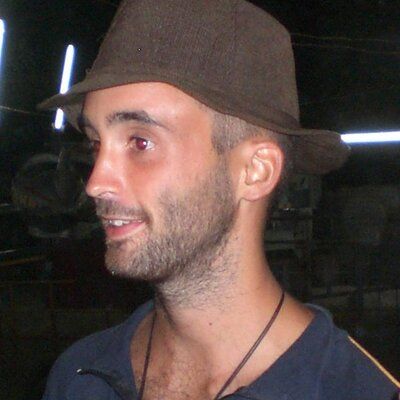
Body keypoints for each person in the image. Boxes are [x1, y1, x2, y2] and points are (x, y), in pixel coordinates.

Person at [39, 1, 399, 399]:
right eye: (95, 144)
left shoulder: (355, 391)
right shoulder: (79, 375)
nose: (95, 183)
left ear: (255, 171)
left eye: (140, 142)